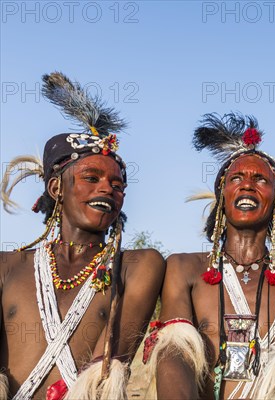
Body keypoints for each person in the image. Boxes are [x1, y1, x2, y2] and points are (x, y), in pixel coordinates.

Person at [143, 113, 275, 399]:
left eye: (260, 179)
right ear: (222, 196)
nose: (247, 185)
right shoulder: (183, 268)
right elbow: (174, 354)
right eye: (236, 178)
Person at [0, 72, 165, 399]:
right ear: (56, 186)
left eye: (118, 185)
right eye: (92, 177)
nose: (108, 188)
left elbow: (106, 372)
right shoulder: (8, 266)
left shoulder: (136, 266)